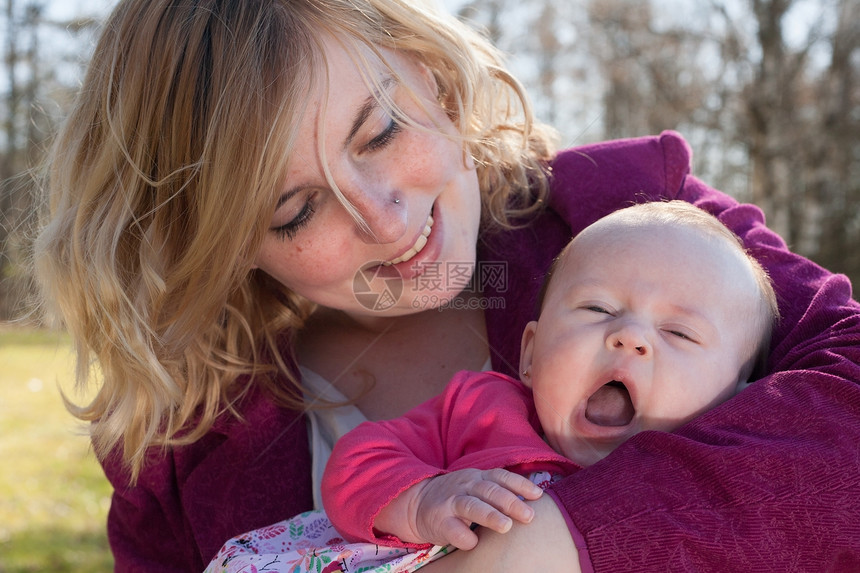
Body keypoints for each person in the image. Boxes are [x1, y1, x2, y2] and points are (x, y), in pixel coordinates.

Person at [32, 0, 860, 571]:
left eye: (382, 131)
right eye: (295, 210)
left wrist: (552, 545)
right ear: (220, 244)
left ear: (428, 70)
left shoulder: (630, 216)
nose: (389, 222)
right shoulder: (185, 444)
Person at [203, 200, 779, 573]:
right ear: (530, 353)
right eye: (599, 308)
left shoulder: (710, 486)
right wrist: (422, 499)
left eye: (679, 332)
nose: (629, 337)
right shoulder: (482, 405)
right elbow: (362, 458)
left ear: (737, 399)